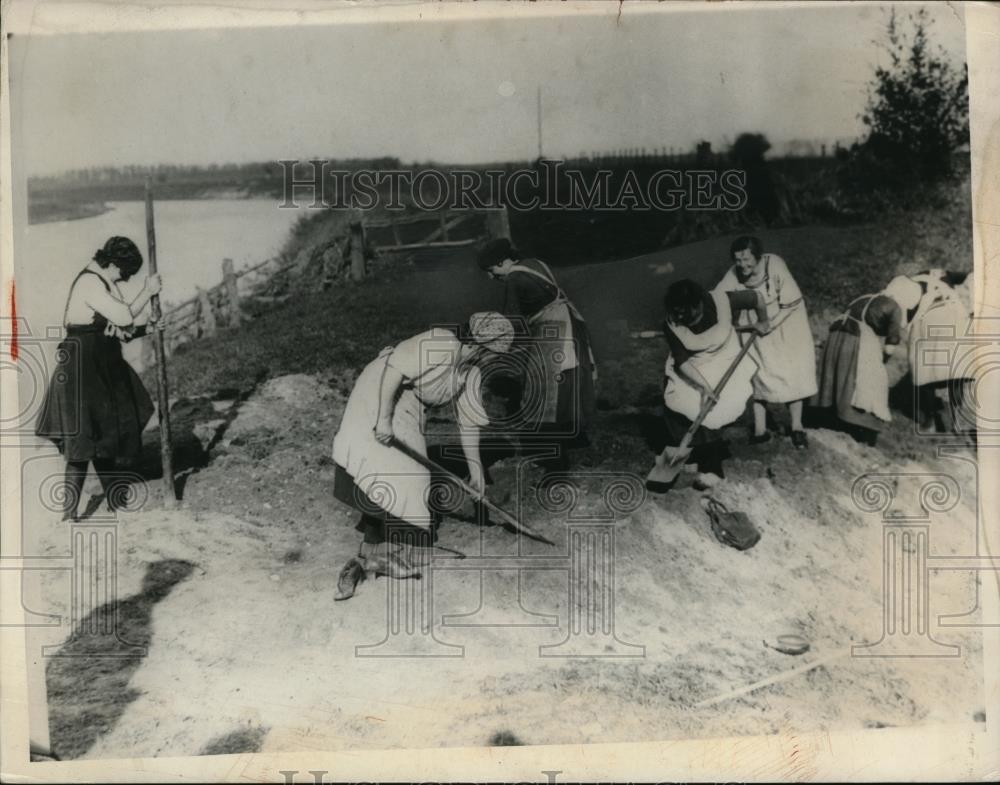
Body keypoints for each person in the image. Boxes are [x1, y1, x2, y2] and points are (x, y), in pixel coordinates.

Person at [331, 311, 514, 601]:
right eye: (496, 354)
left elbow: (468, 423)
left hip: (409, 403)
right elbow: (394, 371)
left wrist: (477, 472)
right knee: (399, 471)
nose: (496, 360)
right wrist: (384, 419)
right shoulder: (441, 344)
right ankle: (379, 553)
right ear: (483, 346)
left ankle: (372, 554)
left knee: (404, 477)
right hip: (381, 390)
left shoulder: (471, 373)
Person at [35, 236, 161, 521]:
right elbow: (124, 316)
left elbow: (119, 330)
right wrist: (147, 291)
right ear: (114, 263)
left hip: (101, 367)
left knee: (108, 433)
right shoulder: (90, 283)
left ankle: (115, 502)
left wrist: (149, 327)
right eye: (124, 272)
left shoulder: (105, 281)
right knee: (81, 444)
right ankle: (68, 516)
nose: (124, 279)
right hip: (81, 371)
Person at [476, 237, 596, 471]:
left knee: (543, 396)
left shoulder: (514, 278)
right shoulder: (536, 263)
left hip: (552, 331)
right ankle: (576, 439)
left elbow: (512, 321)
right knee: (566, 383)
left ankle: (555, 465)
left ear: (502, 262)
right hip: (569, 327)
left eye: (491, 270)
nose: (492, 277)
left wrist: (492, 346)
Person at [657, 278, 765, 491]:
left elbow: (757, 298)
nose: (681, 318)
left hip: (724, 361)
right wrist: (705, 387)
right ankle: (684, 458)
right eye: (677, 312)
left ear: (699, 304)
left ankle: (713, 467)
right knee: (679, 406)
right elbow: (682, 361)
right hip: (692, 367)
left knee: (711, 414)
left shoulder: (722, 301)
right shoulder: (671, 323)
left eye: (686, 312)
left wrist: (763, 319)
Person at [715, 236, 817, 449]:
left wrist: (769, 323)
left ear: (758, 257)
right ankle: (760, 430)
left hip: (786, 324)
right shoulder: (735, 272)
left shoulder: (775, 265)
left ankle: (797, 427)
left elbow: (791, 304)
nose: (742, 265)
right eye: (738, 260)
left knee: (791, 373)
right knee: (759, 374)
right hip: (756, 326)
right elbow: (719, 295)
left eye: (747, 260)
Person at [883, 270, 974, 432]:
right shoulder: (944, 276)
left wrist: (886, 354)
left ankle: (930, 420)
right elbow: (966, 276)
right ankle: (956, 421)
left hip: (931, 317)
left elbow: (900, 318)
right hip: (956, 314)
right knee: (957, 370)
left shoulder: (909, 284)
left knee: (924, 369)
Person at [812, 291, 904, 446]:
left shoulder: (862, 297)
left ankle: (827, 415)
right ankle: (859, 427)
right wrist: (881, 361)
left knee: (836, 374)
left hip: (836, 334)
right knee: (872, 381)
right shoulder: (894, 307)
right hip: (858, 336)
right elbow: (890, 346)